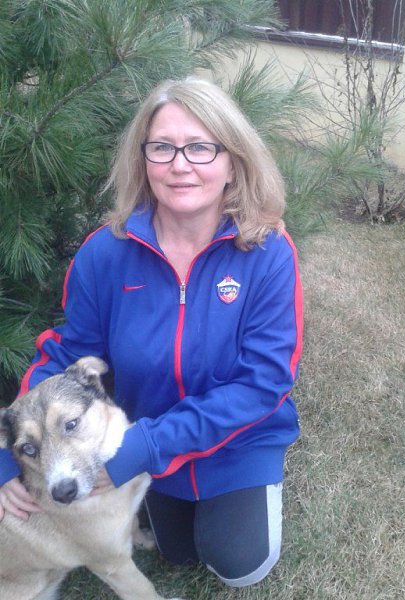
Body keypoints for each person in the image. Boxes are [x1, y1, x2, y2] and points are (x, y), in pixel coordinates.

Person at [0, 77, 303, 587]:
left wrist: (146, 446)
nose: (180, 164)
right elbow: (67, 357)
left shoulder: (268, 253)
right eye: (162, 147)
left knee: (240, 564)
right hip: (140, 442)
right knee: (175, 550)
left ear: (233, 162)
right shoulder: (105, 252)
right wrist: (9, 453)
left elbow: (263, 383)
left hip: (235, 442)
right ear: (143, 160)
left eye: (201, 147)